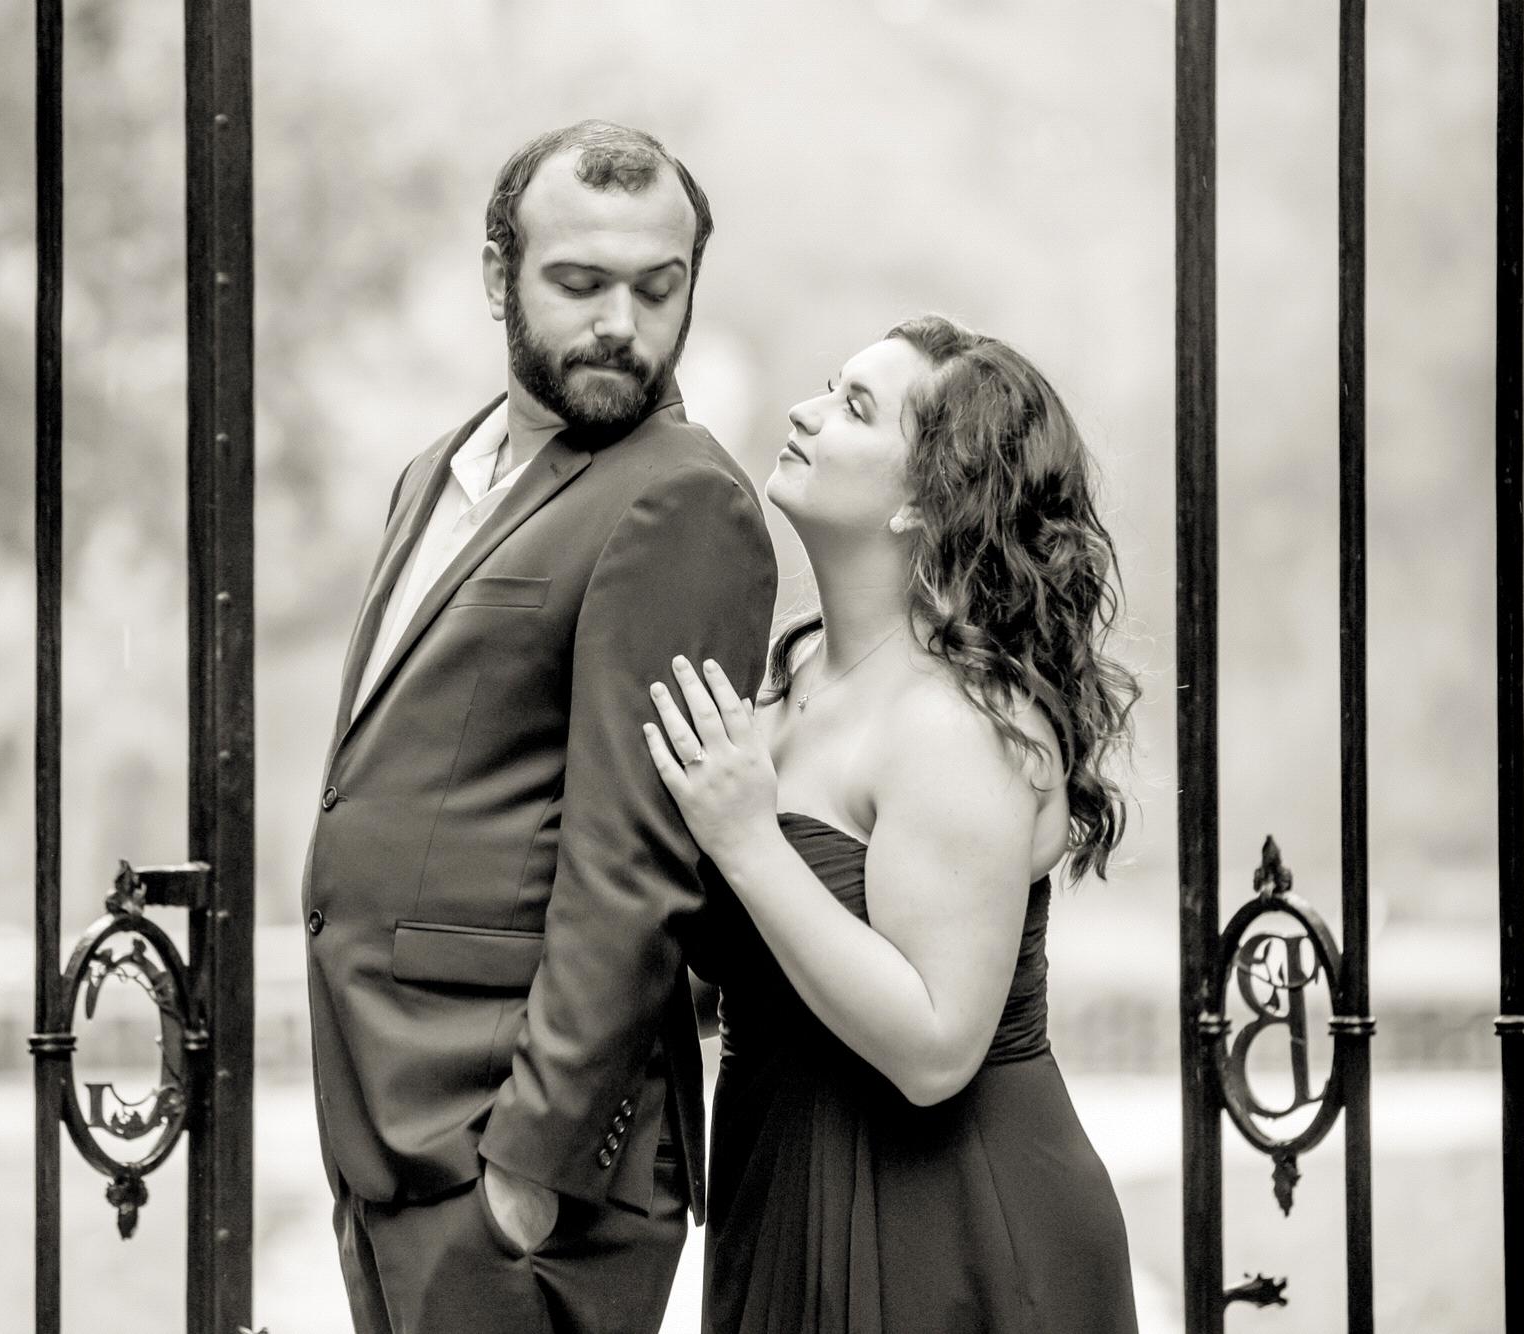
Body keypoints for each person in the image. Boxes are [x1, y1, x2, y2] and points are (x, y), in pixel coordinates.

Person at [301, 121, 778, 1334]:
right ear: (496, 274)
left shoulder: (681, 500)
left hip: (518, 1171)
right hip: (392, 1121)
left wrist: (526, 1171)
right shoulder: (436, 471)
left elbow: (635, 867)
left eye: (656, 288)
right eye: (579, 282)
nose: (621, 321)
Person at [645, 316, 1142, 1333]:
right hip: (774, 1193)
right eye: (829, 388)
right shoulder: (787, 675)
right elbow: (765, 968)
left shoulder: (955, 723)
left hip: (949, 1230)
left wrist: (746, 840)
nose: (805, 411)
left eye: (853, 407)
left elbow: (934, 1047)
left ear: (925, 494)